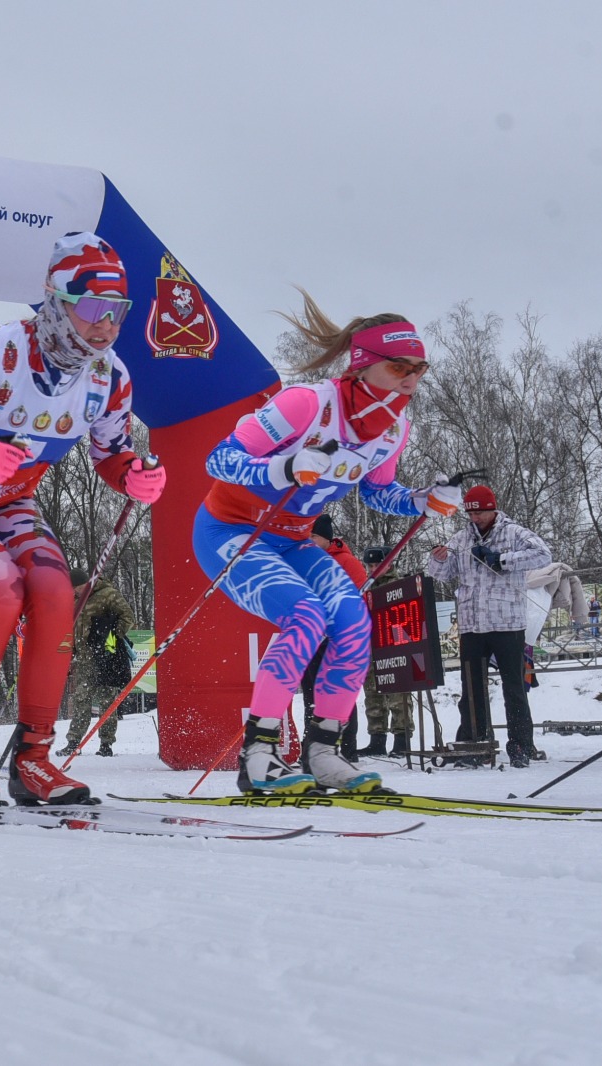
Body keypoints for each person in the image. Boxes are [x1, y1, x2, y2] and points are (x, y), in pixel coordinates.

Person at [0, 232, 165, 807]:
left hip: (12, 500)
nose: (106, 326)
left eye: (118, 312)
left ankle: (34, 760)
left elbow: (111, 454)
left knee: (55, 595)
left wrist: (134, 474)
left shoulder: (109, 378)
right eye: (93, 308)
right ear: (57, 301)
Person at [194, 295, 461, 794]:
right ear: (363, 365)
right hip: (231, 531)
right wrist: (281, 468)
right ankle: (259, 754)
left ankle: (324, 752)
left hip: (293, 540)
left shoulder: (394, 429)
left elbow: (380, 491)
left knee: (353, 622)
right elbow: (218, 460)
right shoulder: (307, 404)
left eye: (419, 368)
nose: (411, 378)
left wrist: (424, 500)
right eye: (399, 366)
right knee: (306, 616)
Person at [425, 485, 552, 768]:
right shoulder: (460, 538)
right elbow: (443, 575)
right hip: (472, 624)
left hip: (507, 623)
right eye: (470, 512)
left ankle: (521, 743)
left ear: (493, 508)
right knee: (472, 689)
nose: (476, 517)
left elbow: (544, 555)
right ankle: (474, 742)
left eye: (480, 511)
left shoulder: (514, 532)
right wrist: (438, 559)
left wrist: (502, 559)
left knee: (514, 686)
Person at [296, 513, 369, 764]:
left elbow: (360, 602)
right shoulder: (304, 561)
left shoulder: (346, 562)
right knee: (311, 697)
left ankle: (347, 749)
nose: (308, 540)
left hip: (338, 639)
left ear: (326, 539)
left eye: (313, 536)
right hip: (312, 638)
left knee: (339, 695)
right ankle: (313, 750)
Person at [59, 568, 136, 758]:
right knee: (81, 699)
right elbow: (72, 628)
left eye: (76, 588)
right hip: (85, 659)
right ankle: (74, 742)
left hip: (106, 657)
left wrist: (110, 636)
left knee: (107, 701)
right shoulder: (74, 601)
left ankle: (106, 744)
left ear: (85, 584)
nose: (74, 592)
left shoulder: (107, 594)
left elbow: (128, 617)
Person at [359, 546, 414, 758]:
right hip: (370, 645)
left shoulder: (398, 586)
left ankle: (402, 738)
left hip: (394, 645)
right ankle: (377, 739)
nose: (374, 569)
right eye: (370, 565)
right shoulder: (365, 587)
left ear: (389, 564)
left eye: (378, 565)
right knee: (372, 694)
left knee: (398, 693)